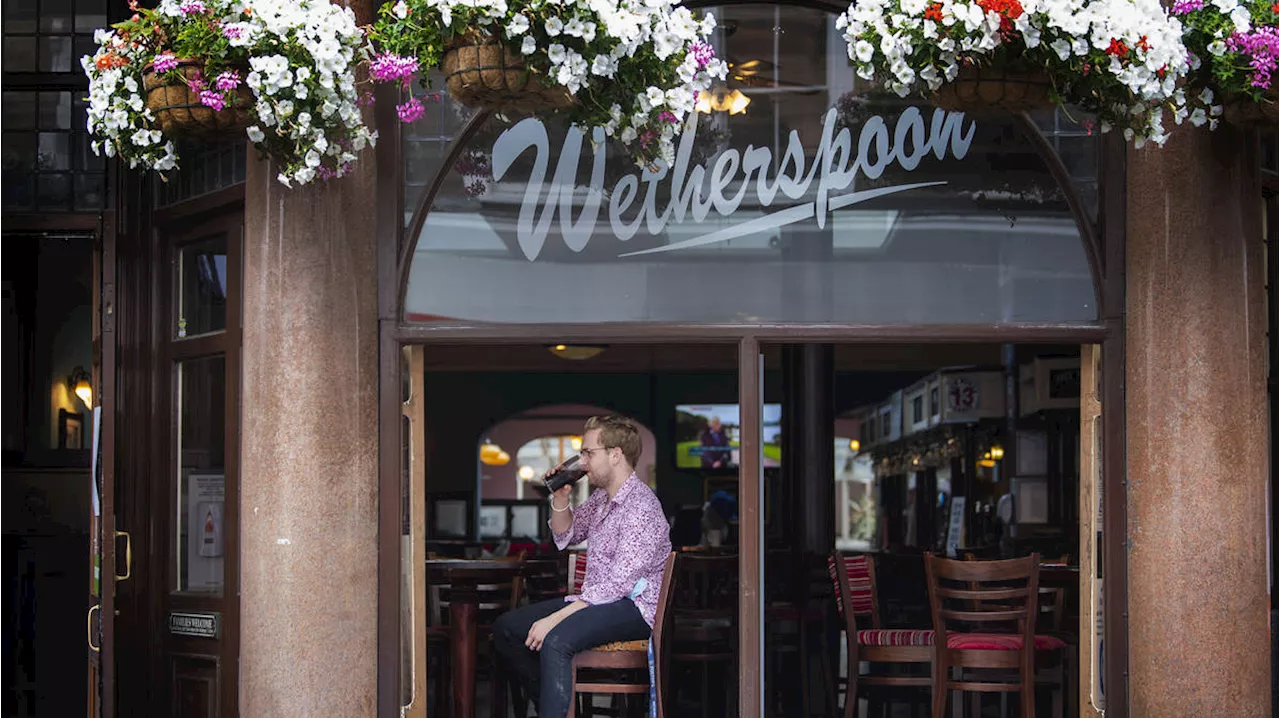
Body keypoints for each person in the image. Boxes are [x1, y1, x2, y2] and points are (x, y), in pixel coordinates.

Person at [492, 415, 671, 717]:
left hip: (634, 606)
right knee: (506, 629)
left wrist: (556, 618)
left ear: (615, 455)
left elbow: (619, 586)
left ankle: (554, 707)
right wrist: (561, 496)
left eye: (589, 452)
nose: (582, 461)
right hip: (597, 601)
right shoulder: (602, 499)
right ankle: (553, 702)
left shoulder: (641, 507)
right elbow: (567, 534)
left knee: (556, 639)